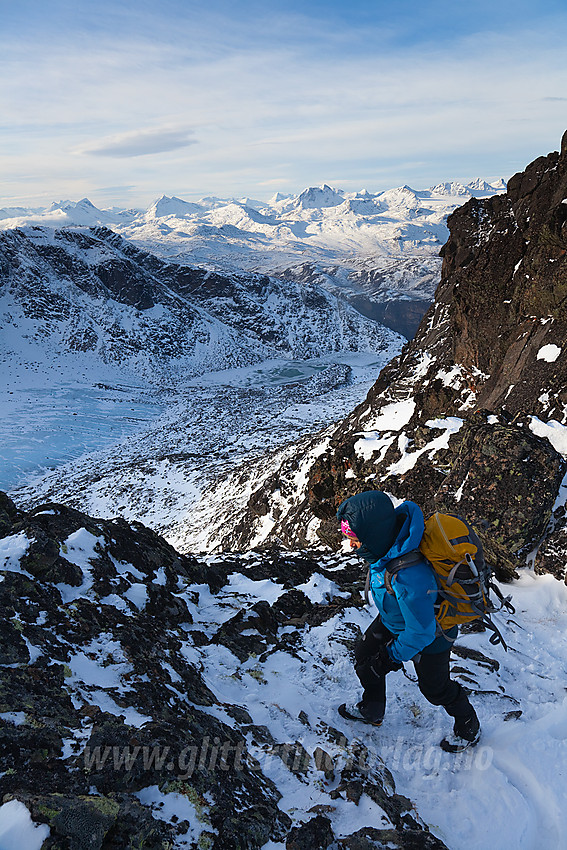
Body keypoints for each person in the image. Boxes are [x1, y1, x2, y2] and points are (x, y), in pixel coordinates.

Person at [336, 489, 480, 753]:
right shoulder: (386, 545)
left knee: (435, 690)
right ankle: (372, 709)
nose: (351, 546)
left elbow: (421, 633)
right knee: (364, 656)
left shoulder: (409, 577)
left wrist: (388, 658)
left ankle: (468, 723)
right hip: (397, 620)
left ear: (373, 535)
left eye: (355, 540)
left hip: (432, 636)